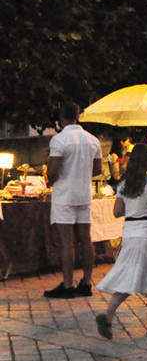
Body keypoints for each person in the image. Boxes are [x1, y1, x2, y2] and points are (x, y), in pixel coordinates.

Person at [95, 144, 147, 339]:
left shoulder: (124, 185)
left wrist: (133, 207)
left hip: (130, 232)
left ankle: (113, 315)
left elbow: (117, 212)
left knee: (130, 274)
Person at [44, 102, 102, 299]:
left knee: (67, 241)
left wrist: (50, 180)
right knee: (86, 239)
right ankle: (86, 282)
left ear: (62, 118)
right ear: (78, 116)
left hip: (64, 194)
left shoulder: (59, 140)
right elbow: (98, 170)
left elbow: (53, 169)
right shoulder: (93, 140)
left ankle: (68, 285)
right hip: (84, 193)